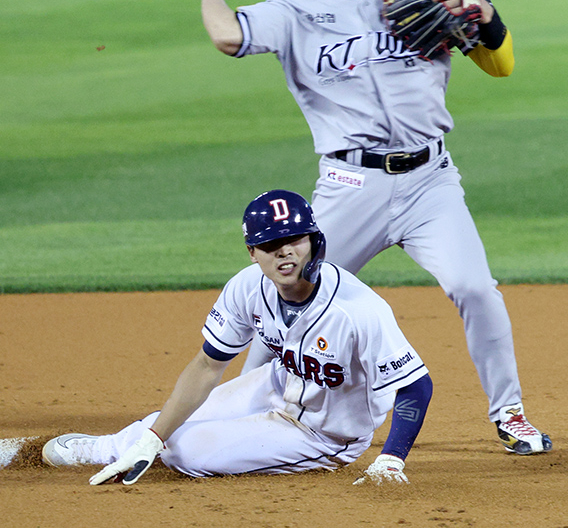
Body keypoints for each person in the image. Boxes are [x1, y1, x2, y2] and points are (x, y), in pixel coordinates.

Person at [190, 0, 551, 455]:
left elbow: (500, 64)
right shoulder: (298, 9)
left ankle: (510, 414)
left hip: (430, 181)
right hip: (349, 185)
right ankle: (231, 409)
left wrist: (485, 17)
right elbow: (229, 37)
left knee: (474, 288)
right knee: (287, 292)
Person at [41, 190, 433, 485]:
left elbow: (416, 385)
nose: (285, 253)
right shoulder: (248, 287)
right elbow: (208, 366)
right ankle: (99, 448)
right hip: (276, 386)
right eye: (270, 245)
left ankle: (144, 448)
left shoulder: (357, 310)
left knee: (185, 450)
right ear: (252, 253)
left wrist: (391, 458)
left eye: (295, 240)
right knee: (160, 428)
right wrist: (153, 437)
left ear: (314, 241)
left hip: (325, 433)